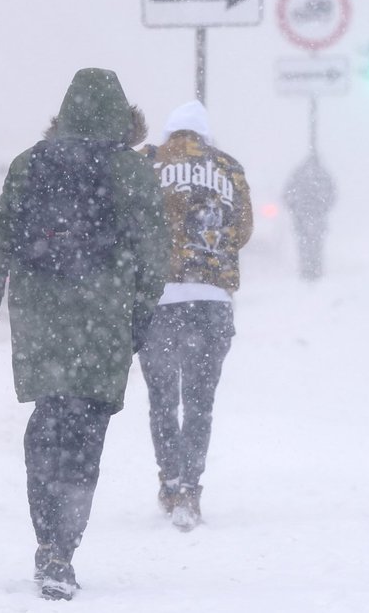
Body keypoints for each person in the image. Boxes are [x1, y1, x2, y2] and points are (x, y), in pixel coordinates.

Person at [0, 68, 169, 601]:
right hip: (103, 318)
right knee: (86, 432)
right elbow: (153, 249)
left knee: (48, 421)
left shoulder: (30, 164)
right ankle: (63, 550)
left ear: (66, 111)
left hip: (40, 316)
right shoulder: (131, 170)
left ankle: (45, 539)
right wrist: (143, 309)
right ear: (122, 116)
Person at [138, 100, 253, 531]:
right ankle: (190, 489)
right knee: (200, 402)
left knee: (162, 400)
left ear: (169, 134)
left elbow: (128, 222)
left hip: (159, 301)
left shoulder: (147, 165)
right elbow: (242, 230)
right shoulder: (228, 167)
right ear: (205, 136)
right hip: (211, 300)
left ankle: (169, 483)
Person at [283, 154, 336, 280]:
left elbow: (287, 195)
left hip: (303, 216)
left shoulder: (298, 175)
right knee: (315, 243)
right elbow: (332, 194)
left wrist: (295, 209)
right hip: (315, 215)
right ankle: (314, 268)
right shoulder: (323, 175)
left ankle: (307, 269)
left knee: (305, 243)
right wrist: (323, 208)